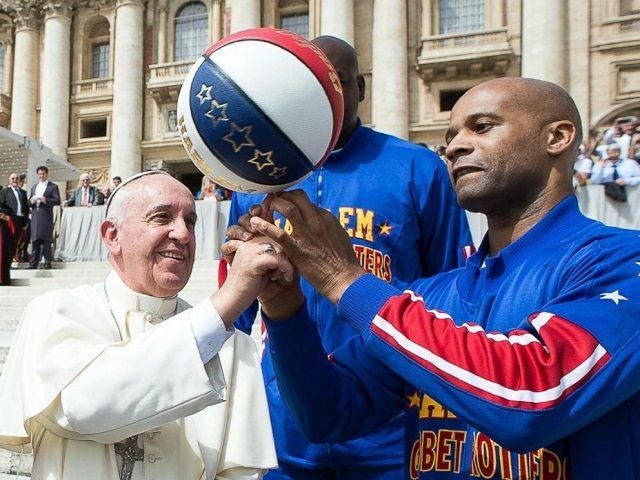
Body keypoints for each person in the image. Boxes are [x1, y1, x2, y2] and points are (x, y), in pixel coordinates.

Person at [229, 78, 640, 478]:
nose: (456, 146)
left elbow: (534, 396)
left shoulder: (621, 261)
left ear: (558, 137)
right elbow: (327, 416)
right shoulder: (432, 294)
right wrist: (284, 307)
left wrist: (342, 278)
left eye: (482, 127)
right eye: (451, 136)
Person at [225, 36, 472, 480]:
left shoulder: (417, 168)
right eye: (308, 85)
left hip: (390, 422)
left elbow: (453, 292)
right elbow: (236, 310)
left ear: (360, 87)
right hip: (285, 417)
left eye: (334, 83)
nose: (321, 97)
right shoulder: (256, 179)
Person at [0, 171, 282, 479]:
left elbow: (240, 474)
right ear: (112, 236)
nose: (183, 235)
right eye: (162, 217)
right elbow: (84, 407)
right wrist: (227, 300)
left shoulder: (233, 347)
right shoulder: (54, 312)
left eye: (190, 221)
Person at [28, 165, 61, 269]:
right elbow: (28, 202)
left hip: (46, 215)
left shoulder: (53, 187)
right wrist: (31, 201)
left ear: (46, 174)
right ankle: (33, 263)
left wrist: (45, 199)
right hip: (35, 215)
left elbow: (57, 200)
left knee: (46, 240)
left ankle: (47, 262)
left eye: (43, 174)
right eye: (40, 174)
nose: (41, 175)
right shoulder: (34, 187)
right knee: (35, 240)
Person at [0, 173, 29, 263]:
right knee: (7, 243)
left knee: (16, 243)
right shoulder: (5, 191)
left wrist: (26, 222)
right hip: (9, 221)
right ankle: (7, 263)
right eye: (13, 178)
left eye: (16, 178)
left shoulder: (23, 193)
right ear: (9, 180)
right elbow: (1, 205)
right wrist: (5, 216)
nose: (15, 180)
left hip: (20, 221)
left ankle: (11, 262)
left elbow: (26, 208)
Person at [0, 204, 13, 285]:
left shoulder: (5, 207)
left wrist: (7, 218)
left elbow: (13, 222)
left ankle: (3, 279)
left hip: (3, 235)